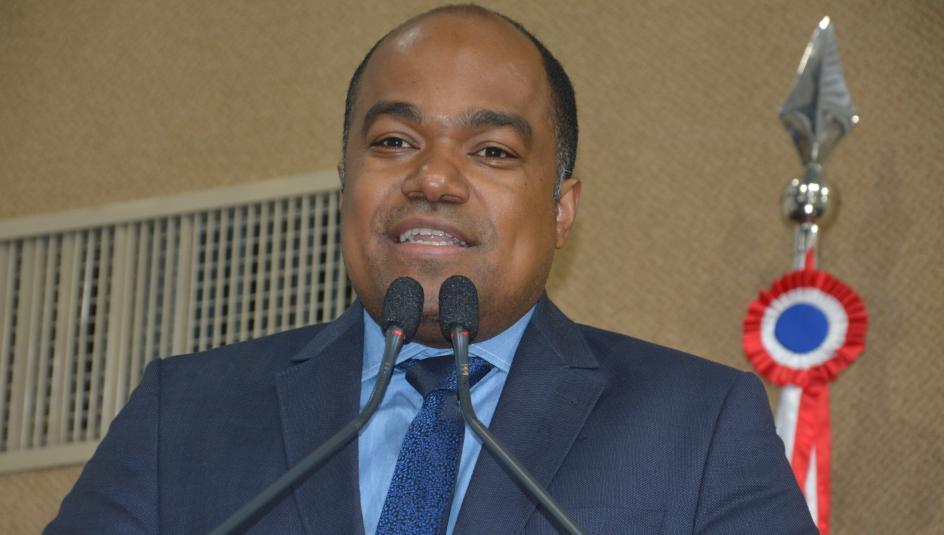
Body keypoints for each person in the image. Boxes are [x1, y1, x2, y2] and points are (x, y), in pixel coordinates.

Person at [47, 5, 817, 534]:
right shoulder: (181, 416)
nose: (434, 179)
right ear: (345, 185)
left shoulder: (697, 423)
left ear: (560, 210)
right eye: (393, 142)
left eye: (492, 151)